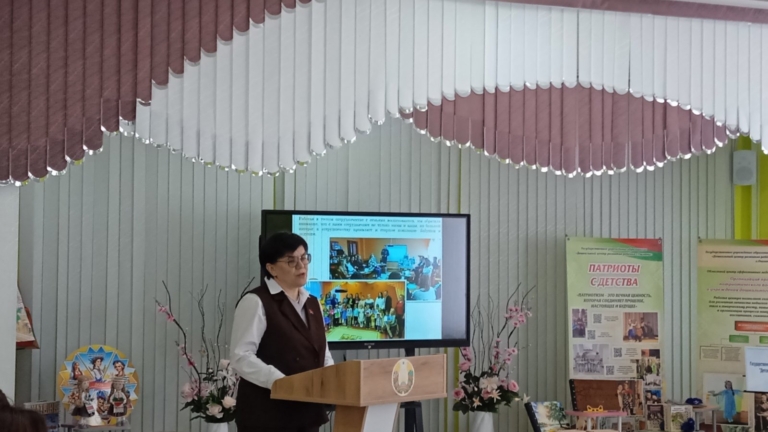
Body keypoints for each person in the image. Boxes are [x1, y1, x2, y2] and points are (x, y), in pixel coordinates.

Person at [231, 232, 333, 432]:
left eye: (304, 257)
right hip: (267, 415)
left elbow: (323, 353)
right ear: (271, 268)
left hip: (306, 413)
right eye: (291, 261)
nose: (301, 265)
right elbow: (241, 356)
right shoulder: (256, 301)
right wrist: (281, 382)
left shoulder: (313, 303)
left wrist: (333, 379)